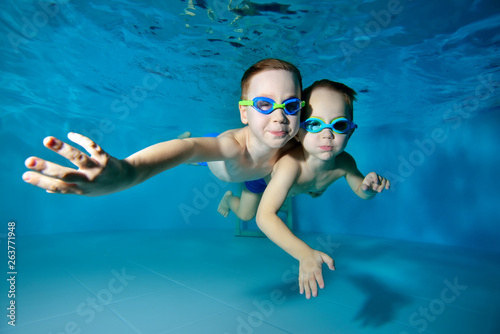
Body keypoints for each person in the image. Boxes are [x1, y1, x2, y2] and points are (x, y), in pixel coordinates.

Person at [22, 58, 304, 196]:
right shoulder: (231, 147)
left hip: (252, 175)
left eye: (291, 105)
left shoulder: (296, 139)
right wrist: (128, 172)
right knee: (195, 158)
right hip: (215, 160)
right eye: (264, 104)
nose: (280, 117)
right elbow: (189, 150)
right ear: (244, 112)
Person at [218, 79, 391, 299]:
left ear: (350, 132)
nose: (327, 134)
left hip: (296, 187)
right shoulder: (291, 165)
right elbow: (265, 217)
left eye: (338, 125)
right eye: (314, 124)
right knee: (246, 213)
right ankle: (228, 198)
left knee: (310, 193)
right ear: (298, 132)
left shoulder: (344, 162)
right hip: (261, 178)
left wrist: (369, 187)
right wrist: (304, 254)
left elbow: (361, 191)